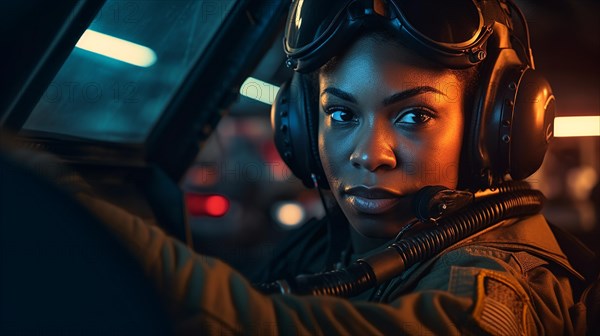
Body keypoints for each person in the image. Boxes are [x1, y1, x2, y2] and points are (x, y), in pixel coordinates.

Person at [75, 0, 592, 334]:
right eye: (341, 114)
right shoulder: (332, 244)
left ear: (494, 130)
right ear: (299, 126)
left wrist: (93, 235)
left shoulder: (503, 287)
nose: (369, 154)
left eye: (414, 116)